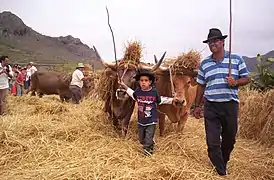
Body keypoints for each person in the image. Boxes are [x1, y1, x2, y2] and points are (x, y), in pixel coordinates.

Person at [193, 28, 251, 176]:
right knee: (212, 142)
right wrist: (197, 106)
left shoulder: (236, 59)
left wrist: (235, 81)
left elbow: (247, 78)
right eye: (210, 41)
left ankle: (222, 161)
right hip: (211, 105)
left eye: (216, 40)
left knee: (229, 139)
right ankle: (221, 172)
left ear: (223, 42)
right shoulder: (204, 64)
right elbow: (200, 86)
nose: (213, 43)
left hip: (230, 104)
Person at [119, 70, 180, 156]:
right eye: (141, 80)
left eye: (146, 80)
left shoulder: (154, 92)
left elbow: (160, 100)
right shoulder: (138, 91)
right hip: (141, 121)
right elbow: (132, 94)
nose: (143, 82)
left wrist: (172, 100)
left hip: (151, 120)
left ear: (150, 82)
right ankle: (150, 144)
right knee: (141, 139)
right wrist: (124, 86)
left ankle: (148, 153)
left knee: (148, 138)